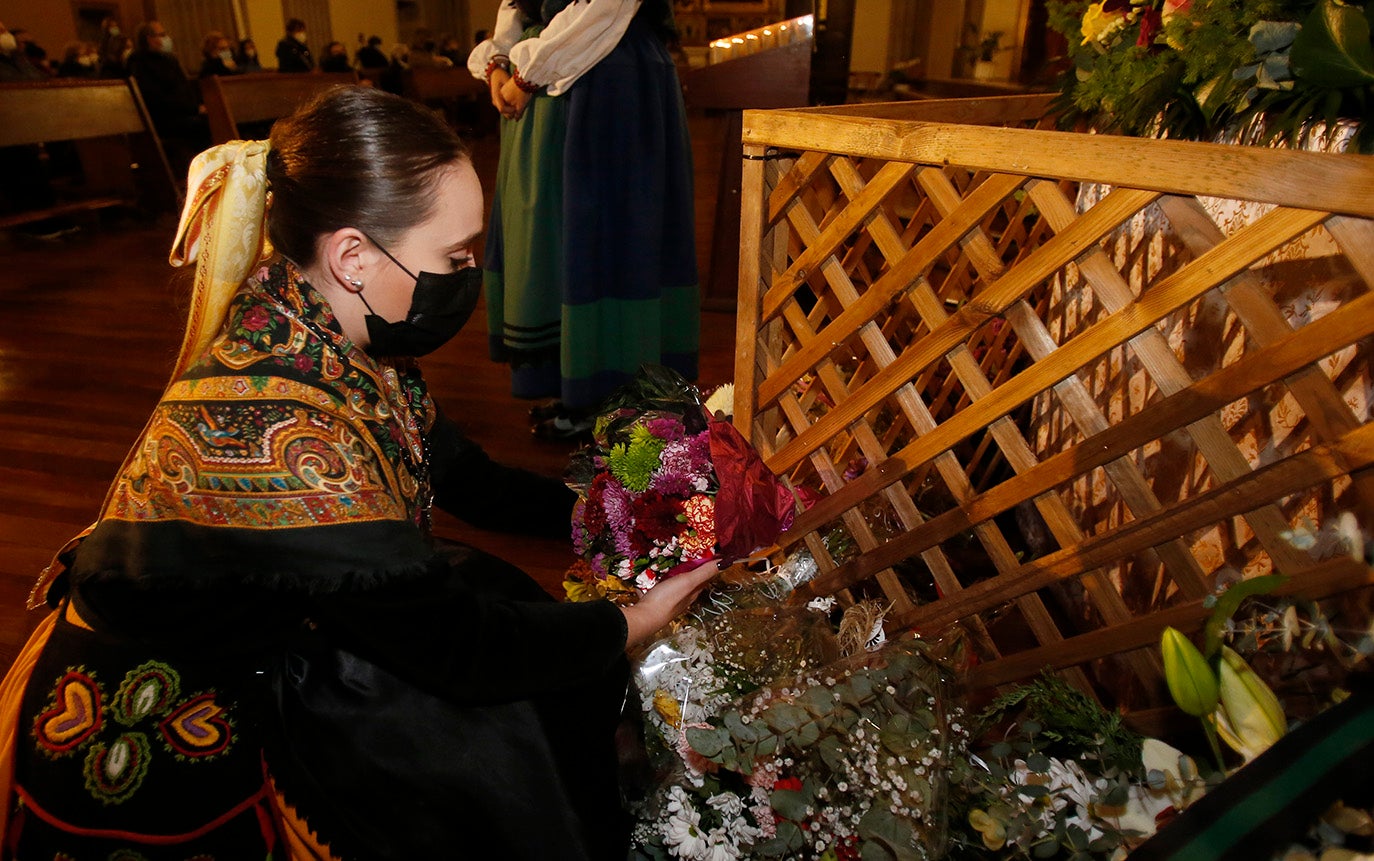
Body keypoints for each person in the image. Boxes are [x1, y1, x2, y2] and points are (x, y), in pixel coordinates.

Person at [0, 85, 717, 859]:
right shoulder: (286, 432)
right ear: (351, 256)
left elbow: (469, 478)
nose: (472, 271)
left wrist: (616, 508)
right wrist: (633, 620)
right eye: (455, 255)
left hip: (275, 616)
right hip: (173, 679)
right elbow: (460, 646)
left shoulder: (330, 325)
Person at [468, 0, 699, 441]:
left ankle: (614, 402)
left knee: (606, 230)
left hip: (607, 74)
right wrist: (499, 62)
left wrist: (528, 73)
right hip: (547, 79)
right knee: (552, 234)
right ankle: (577, 387)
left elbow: (610, 7)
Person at [126, 20, 208, 173]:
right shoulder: (139, 64)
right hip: (164, 119)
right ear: (149, 38)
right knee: (203, 126)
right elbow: (156, 99)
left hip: (183, 113)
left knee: (211, 120)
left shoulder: (170, 60)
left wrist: (197, 105)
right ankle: (200, 172)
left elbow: (185, 88)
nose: (166, 38)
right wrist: (192, 108)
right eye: (162, 35)